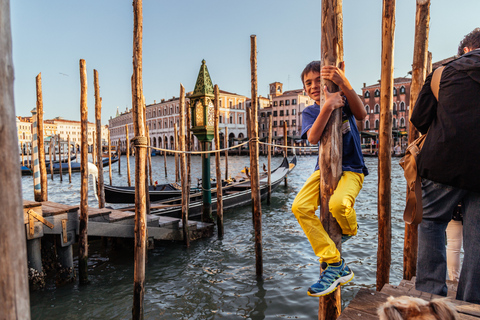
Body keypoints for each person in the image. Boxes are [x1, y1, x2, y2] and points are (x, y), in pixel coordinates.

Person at [411, 28, 480, 303]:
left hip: (443, 163)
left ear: (465, 50)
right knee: (478, 238)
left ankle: (430, 299)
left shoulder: (443, 72)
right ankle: (471, 304)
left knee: (431, 222)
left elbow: (420, 119)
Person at [291, 60, 368, 297]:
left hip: (352, 168)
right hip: (321, 171)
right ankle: (335, 263)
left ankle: (350, 228)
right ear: (304, 89)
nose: (314, 86)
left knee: (338, 204)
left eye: (318, 80)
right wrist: (327, 107)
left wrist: (342, 83)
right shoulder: (310, 111)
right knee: (300, 207)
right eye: (308, 83)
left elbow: (363, 114)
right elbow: (313, 137)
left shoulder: (344, 101)